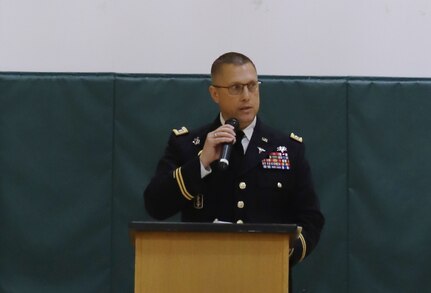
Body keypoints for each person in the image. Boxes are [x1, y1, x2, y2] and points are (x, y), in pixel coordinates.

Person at [144, 52, 324, 266]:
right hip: (201, 273)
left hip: (266, 274)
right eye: (236, 88)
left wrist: (278, 254)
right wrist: (201, 163)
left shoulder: (287, 148)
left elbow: (311, 219)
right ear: (214, 94)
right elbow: (156, 205)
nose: (246, 96)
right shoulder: (187, 145)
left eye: (252, 86)